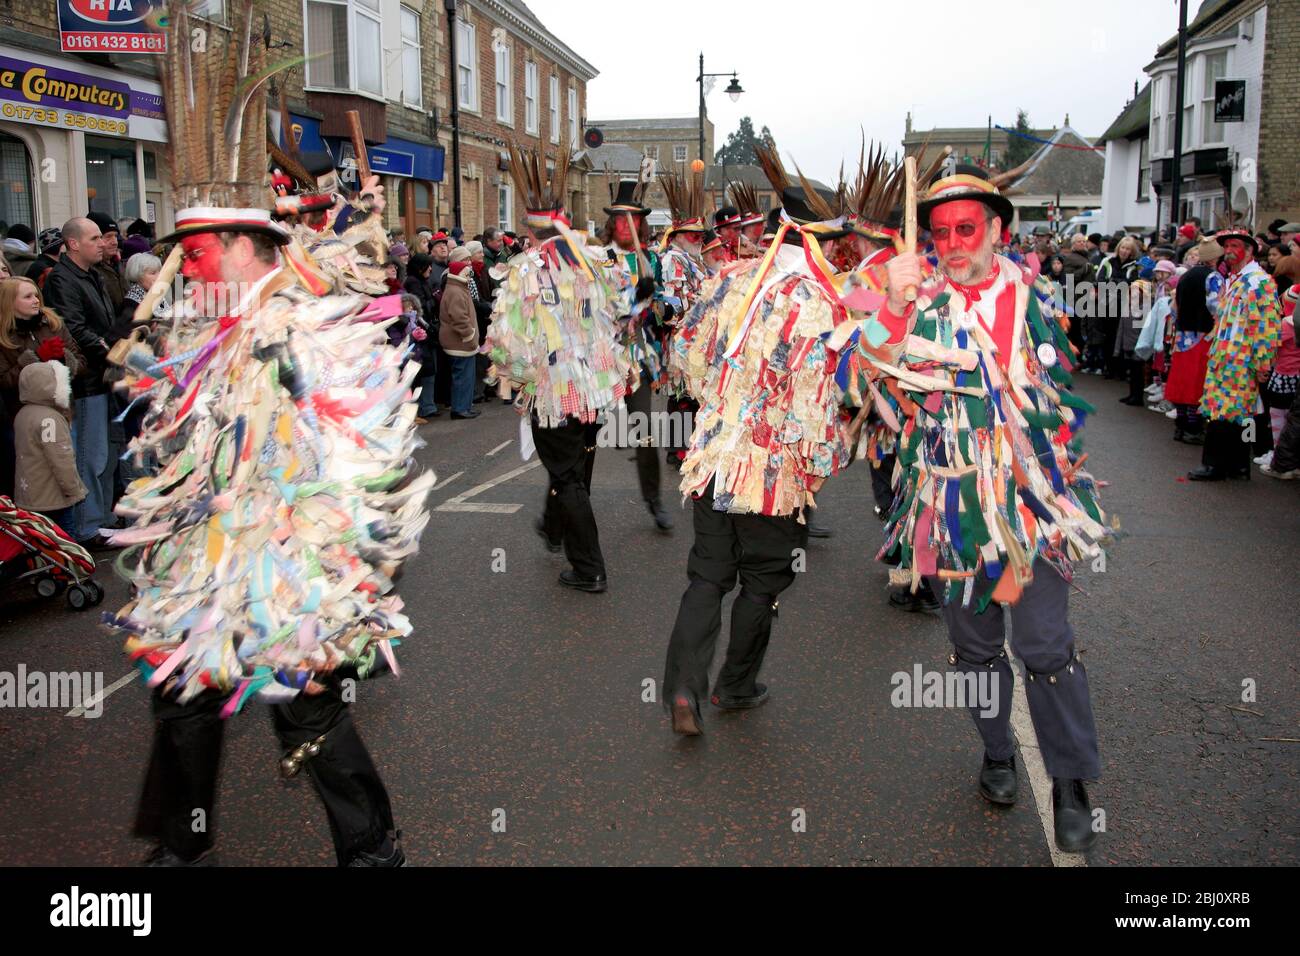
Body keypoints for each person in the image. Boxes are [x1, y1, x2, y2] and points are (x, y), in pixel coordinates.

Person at [113, 2, 426, 867]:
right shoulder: (190, 328)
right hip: (201, 559)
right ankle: (184, 845)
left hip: (290, 558)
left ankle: (371, 849)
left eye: (199, 250)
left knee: (310, 708)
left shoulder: (304, 327)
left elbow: (361, 454)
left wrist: (335, 568)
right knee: (181, 698)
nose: (185, 265)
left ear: (250, 246)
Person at [866, 165, 1109, 853]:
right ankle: (998, 752)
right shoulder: (915, 297)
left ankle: (1069, 781)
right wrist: (889, 303)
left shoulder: (1032, 296)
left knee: (1044, 646)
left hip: (1029, 504)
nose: (952, 243)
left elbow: (1055, 396)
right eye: (940, 232)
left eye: (966, 228)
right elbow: (869, 372)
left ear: (999, 230)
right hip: (948, 505)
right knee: (974, 648)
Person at [664, 174, 856, 736]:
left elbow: (687, 360)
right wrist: (821, 465)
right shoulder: (826, 300)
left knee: (707, 577)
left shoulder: (730, 280)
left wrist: (723, 407)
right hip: (775, 474)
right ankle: (736, 685)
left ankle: (683, 688)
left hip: (716, 464)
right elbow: (828, 403)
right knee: (763, 582)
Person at [485, 143, 631, 592]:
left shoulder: (524, 270)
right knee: (576, 463)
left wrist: (510, 376)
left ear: (531, 232)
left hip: (551, 391)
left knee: (566, 474)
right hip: (594, 388)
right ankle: (555, 529)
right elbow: (623, 312)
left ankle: (589, 568)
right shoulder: (594, 261)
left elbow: (507, 345)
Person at [599, 178, 671, 532]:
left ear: (640, 224)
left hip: (637, 358)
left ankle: (654, 499)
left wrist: (654, 300)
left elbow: (654, 309)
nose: (627, 226)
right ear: (612, 224)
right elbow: (597, 307)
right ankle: (559, 512)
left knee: (645, 429)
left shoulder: (651, 260)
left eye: (634, 220)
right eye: (620, 219)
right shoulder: (597, 259)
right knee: (581, 438)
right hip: (599, 359)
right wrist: (632, 298)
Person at [42, 216, 119, 546]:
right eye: (95, 238)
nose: (102, 243)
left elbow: (102, 322)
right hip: (87, 381)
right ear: (74, 244)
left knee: (103, 454)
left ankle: (101, 518)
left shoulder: (93, 275)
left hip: (102, 376)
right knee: (90, 454)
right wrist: (108, 350)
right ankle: (89, 526)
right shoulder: (63, 279)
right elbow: (73, 327)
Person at [1189, 227, 1282, 481]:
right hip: (1227, 356)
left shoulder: (1257, 281)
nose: (1229, 252)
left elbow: (1266, 326)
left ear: (1250, 251)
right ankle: (1237, 465)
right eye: (1226, 247)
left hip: (1240, 359)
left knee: (1230, 411)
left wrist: (1263, 363)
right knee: (1239, 412)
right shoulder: (1237, 279)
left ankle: (1216, 465)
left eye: (1235, 247)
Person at [0, 276, 84, 499]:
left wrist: (64, 360)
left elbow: (81, 363)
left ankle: (70, 529)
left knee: (67, 468)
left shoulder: (53, 323)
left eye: (36, 294)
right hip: (24, 420)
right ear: (10, 302)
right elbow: (4, 380)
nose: (36, 300)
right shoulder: (3, 336)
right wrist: (35, 359)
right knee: (39, 479)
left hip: (62, 412)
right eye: (27, 296)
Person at [658, 167, 709, 472]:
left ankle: (681, 447)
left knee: (687, 396)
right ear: (677, 236)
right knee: (683, 397)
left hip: (693, 340)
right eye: (694, 235)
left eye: (701, 235)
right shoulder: (673, 260)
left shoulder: (692, 259)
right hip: (681, 341)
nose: (699, 239)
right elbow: (672, 306)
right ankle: (677, 450)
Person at [12, 360, 85, 537]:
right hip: (53, 499)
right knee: (66, 543)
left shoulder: (23, 414)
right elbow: (61, 458)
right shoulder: (50, 419)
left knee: (41, 543)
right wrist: (73, 490)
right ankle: (71, 565)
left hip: (28, 496)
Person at [438, 251, 480, 419]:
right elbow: (459, 318)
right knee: (463, 377)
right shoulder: (456, 291)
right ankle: (460, 408)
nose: (469, 276)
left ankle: (464, 406)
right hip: (460, 343)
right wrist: (469, 335)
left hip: (461, 342)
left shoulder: (457, 288)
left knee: (465, 377)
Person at [404, 253, 440, 422]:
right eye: (428, 266)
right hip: (420, 331)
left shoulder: (422, 281)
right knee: (423, 370)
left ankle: (429, 404)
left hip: (428, 330)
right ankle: (425, 406)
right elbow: (423, 305)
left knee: (430, 369)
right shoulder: (413, 282)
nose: (431, 269)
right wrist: (433, 300)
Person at [86, 212, 127, 312]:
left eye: (116, 236)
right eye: (108, 237)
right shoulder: (89, 270)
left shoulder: (120, 265)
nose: (115, 242)